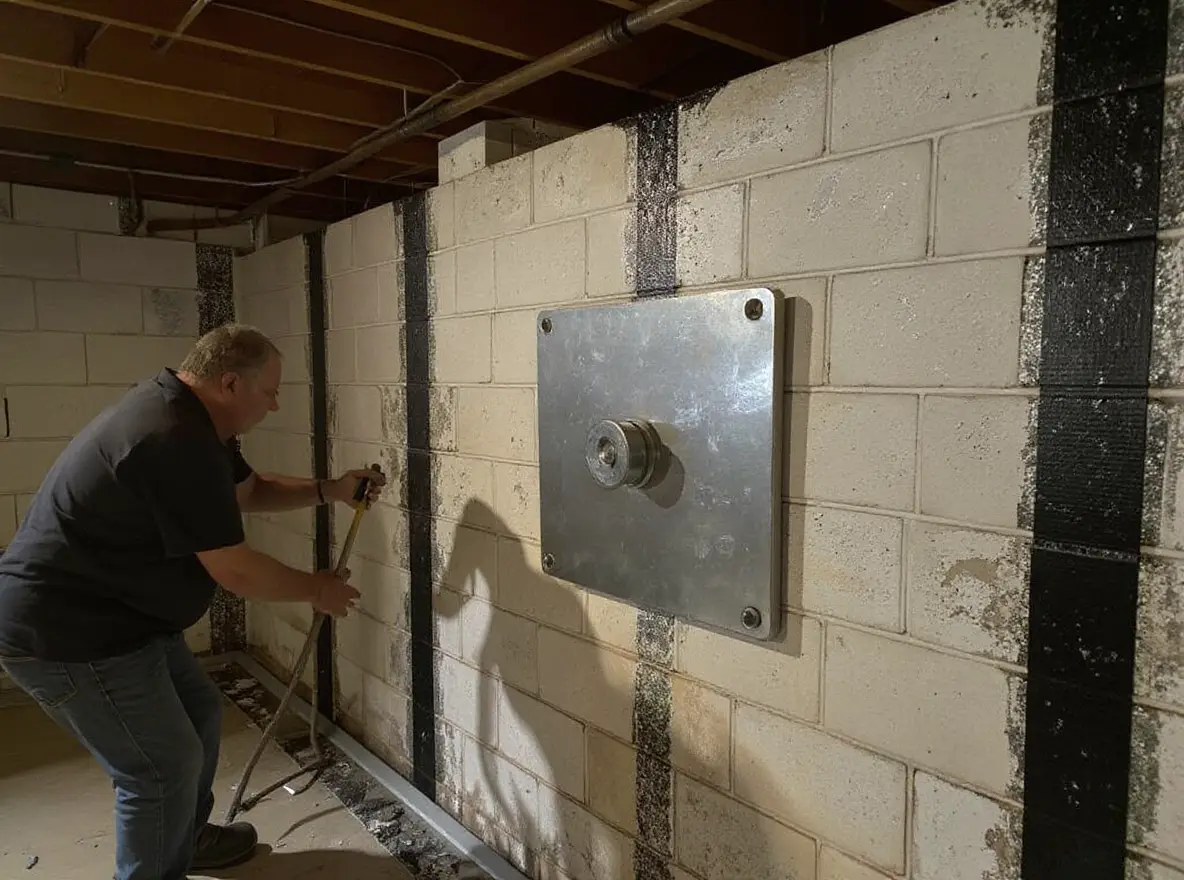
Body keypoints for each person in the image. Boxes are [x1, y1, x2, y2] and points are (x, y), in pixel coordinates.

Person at [0, 323, 385, 880]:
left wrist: (332, 489)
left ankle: (186, 837)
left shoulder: (187, 417)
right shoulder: (173, 437)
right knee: (159, 767)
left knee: (199, 713)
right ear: (230, 383)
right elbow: (235, 569)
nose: (274, 405)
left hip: (123, 618)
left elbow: (249, 491)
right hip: (69, 632)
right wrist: (315, 588)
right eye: (270, 391)